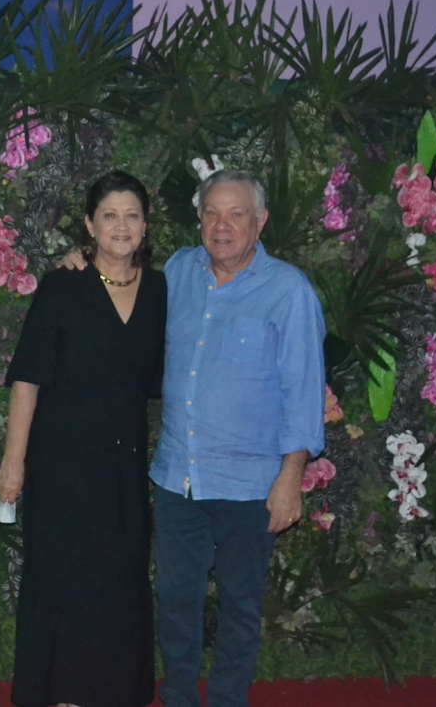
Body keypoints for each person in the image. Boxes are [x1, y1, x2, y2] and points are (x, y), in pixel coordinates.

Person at [152, 170, 326, 707]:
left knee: (240, 605)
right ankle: (179, 697)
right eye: (211, 213)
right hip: (177, 478)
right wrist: (81, 263)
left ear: (260, 221)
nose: (221, 226)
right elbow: (118, 290)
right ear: (198, 219)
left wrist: (290, 478)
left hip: (251, 485)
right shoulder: (178, 271)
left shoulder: (289, 291)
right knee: (174, 598)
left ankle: (228, 700)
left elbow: (303, 390)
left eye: (236, 214)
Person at [0, 171, 168, 707]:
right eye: (109, 215)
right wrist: (13, 463)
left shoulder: (161, 291)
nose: (122, 226)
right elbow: (27, 379)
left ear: (145, 225)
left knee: (118, 583)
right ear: (90, 225)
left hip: (123, 467)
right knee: (63, 582)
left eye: (132, 215)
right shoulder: (62, 287)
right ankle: (61, 695)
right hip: (61, 465)